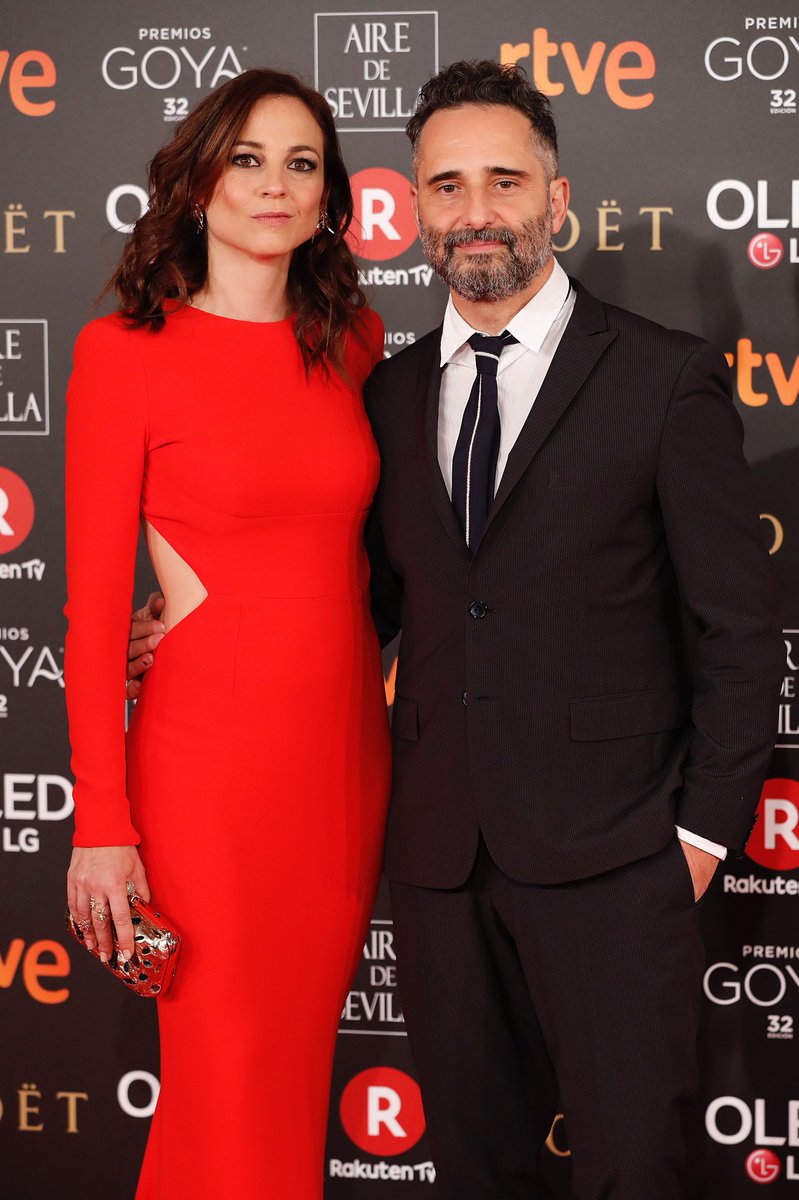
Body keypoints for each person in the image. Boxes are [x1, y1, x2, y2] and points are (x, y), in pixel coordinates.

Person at [127, 60, 781, 1200]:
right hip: (434, 859)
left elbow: (739, 631)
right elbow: (366, 596)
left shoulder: (661, 380)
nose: (474, 212)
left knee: (634, 1171)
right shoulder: (384, 383)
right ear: (410, 206)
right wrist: (199, 622)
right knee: (475, 1173)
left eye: (503, 181)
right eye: (445, 186)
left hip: (619, 860)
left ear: (556, 201)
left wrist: (701, 842)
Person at [64, 68, 390, 1199]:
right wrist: (102, 824)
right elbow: (97, 605)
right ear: (198, 183)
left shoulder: (355, 341)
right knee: (222, 1067)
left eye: (301, 162)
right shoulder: (124, 353)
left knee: (290, 1080)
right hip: (204, 776)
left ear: (327, 196)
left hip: (345, 770)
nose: (274, 184)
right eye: (247, 158)